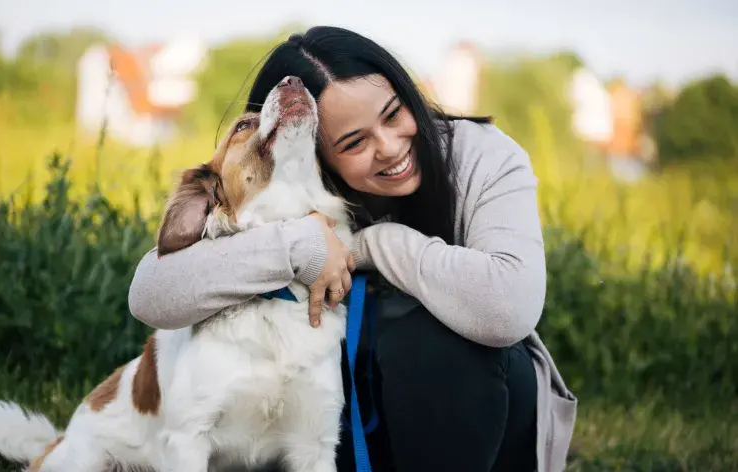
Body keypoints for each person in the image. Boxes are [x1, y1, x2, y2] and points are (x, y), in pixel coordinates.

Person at [128, 26, 577, 472]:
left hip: (477, 416)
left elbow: (508, 308)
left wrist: (371, 245)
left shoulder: (484, 157)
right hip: (342, 427)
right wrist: (297, 244)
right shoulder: (301, 190)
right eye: (354, 142)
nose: (389, 148)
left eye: (394, 113)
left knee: (426, 338)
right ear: (313, 149)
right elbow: (151, 293)